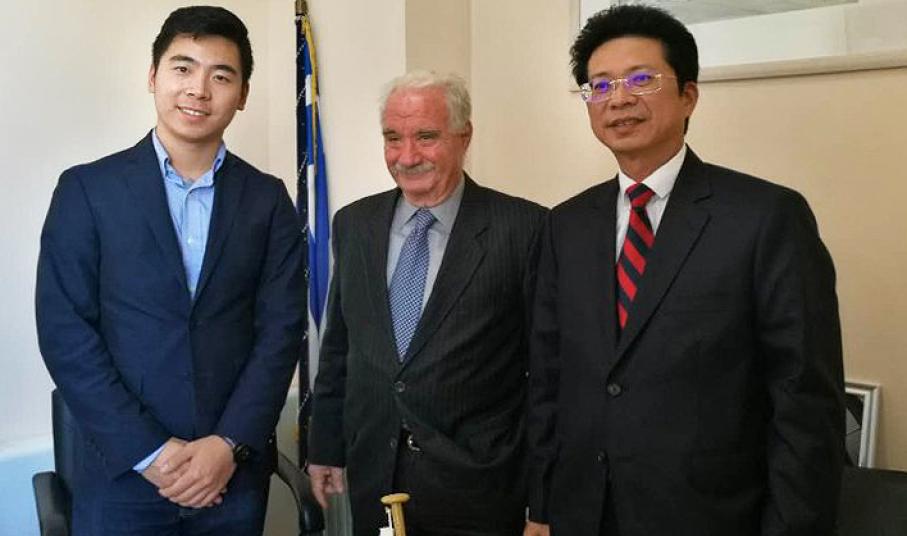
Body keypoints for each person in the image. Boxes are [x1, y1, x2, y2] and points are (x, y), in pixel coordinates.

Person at [525, 5, 844, 536]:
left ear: (689, 95)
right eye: (599, 85)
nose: (618, 99)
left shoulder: (766, 217)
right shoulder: (566, 224)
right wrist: (541, 506)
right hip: (583, 511)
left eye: (641, 79)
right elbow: (548, 380)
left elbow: (805, 404)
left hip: (710, 515)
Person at [35, 6, 304, 535]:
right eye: (183, 68)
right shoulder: (87, 191)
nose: (198, 90)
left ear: (243, 94)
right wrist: (150, 452)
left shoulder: (268, 200)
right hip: (121, 477)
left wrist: (227, 444)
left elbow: (281, 330)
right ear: (153, 76)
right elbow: (65, 333)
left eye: (221, 76)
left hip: (229, 479)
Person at [308, 71, 546, 536]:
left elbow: (547, 377)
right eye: (392, 138)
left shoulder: (525, 229)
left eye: (426, 137)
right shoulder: (354, 224)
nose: (407, 156)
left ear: (464, 136)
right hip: (374, 479)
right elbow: (340, 348)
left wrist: (543, 499)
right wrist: (325, 448)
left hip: (478, 491)